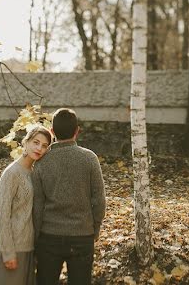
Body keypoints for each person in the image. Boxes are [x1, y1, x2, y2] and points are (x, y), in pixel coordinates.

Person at [32, 108, 106, 285]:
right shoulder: (90, 159)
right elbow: (99, 201)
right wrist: (94, 229)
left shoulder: (41, 161)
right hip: (82, 236)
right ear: (77, 131)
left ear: (52, 132)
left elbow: (37, 205)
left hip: (48, 237)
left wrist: (36, 237)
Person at [0, 124, 53, 285]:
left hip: (27, 248)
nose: (39, 148)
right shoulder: (12, 173)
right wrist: (8, 252)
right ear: (26, 142)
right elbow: (2, 214)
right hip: (10, 248)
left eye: (44, 146)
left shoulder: (33, 173)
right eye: (36, 142)